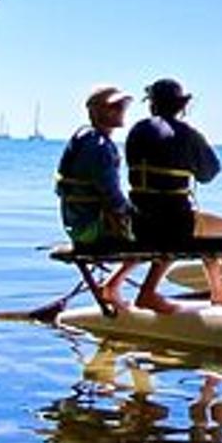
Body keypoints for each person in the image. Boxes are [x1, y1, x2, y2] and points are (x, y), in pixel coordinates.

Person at [126, 77, 222, 307]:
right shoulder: (187, 134)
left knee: (204, 229)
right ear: (181, 106)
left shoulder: (136, 131)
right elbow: (209, 174)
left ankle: (219, 291)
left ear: (152, 104)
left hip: (138, 222)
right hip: (174, 224)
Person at [56, 84, 160, 313]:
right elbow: (112, 197)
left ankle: (113, 286)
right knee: (157, 234)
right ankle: (137, 291)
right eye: (114, 106)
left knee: (146, 226)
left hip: (77, 226)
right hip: (92, 230)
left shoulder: (82, 137)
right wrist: (137, 213)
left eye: (123, 105)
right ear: (95, 111)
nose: (121, 110)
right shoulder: (99, 147)